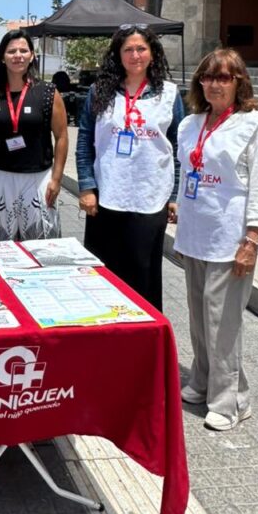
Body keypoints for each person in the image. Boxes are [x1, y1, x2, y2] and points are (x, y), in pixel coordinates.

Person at [174, 48, 258, 432]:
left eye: (224, 77)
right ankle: (203, 380)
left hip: (230, 239)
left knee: (223, 324)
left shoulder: (255, 125)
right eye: (208, 76)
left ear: (239, 82)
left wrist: (252, 240)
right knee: (200, 320)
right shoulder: (191, 123)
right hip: (195, 235)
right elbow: (187, 172)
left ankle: (230, 401)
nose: (214, 84)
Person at [75, 25, 184, 311]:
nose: (135, 55)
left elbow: (178, 147)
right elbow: (85, 140)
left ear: (152, 53)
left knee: (143, 275)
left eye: (141, 49)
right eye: (128, 50)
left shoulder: (169, 94)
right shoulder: (99, 92)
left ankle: (144, 332)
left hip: (150, 198)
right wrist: (86, 186)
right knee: (104, 275)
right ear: (118, 54)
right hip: (107, 196)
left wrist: (174, 195)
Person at [0, 29, 68, 241]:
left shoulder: (48, 92)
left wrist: (57, 179)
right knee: (0, 242)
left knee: (41, 242)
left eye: (23, 50)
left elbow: (62, 136)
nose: (18, 55)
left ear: (32, 55)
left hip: (38, 176)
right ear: (2, 57)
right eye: (11, 51)